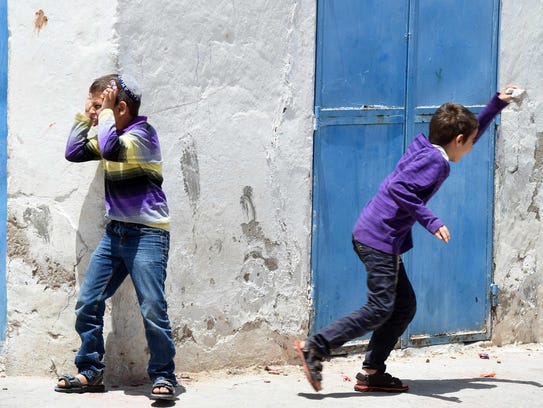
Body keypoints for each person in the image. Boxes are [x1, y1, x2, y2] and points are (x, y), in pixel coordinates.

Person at [295, 85, 518, 393]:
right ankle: (316, 346)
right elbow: (399, 188)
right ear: (457, 141)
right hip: (378, 239)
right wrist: (431, 220)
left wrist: (497, 103)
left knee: (403, 306)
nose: (469, 149)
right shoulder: (437, 162)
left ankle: (372, 371)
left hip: (377, 235)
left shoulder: (431, 150)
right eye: (467, 144)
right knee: (379, 307)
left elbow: (468, 135)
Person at [54, 74, 177, 401]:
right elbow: (75, 151)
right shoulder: (115, 133)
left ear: (120, 108)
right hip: (116, 234)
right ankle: (90, 370)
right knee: (88, 301)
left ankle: (164, 374)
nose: (95, 112)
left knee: (152, 307)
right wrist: (85, 115)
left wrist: (104, 115)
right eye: (93, 107)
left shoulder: (142, 135)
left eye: (100, 106)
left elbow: (110, 147)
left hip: (148, 235)